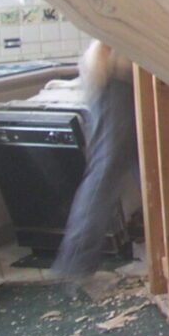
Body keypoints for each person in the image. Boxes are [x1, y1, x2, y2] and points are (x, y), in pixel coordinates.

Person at [50, 41, 137, 280]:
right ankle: (75, 261)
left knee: (152, 174)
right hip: (119, 75)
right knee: (106, 171)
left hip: (124, 74)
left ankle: (168, 256)